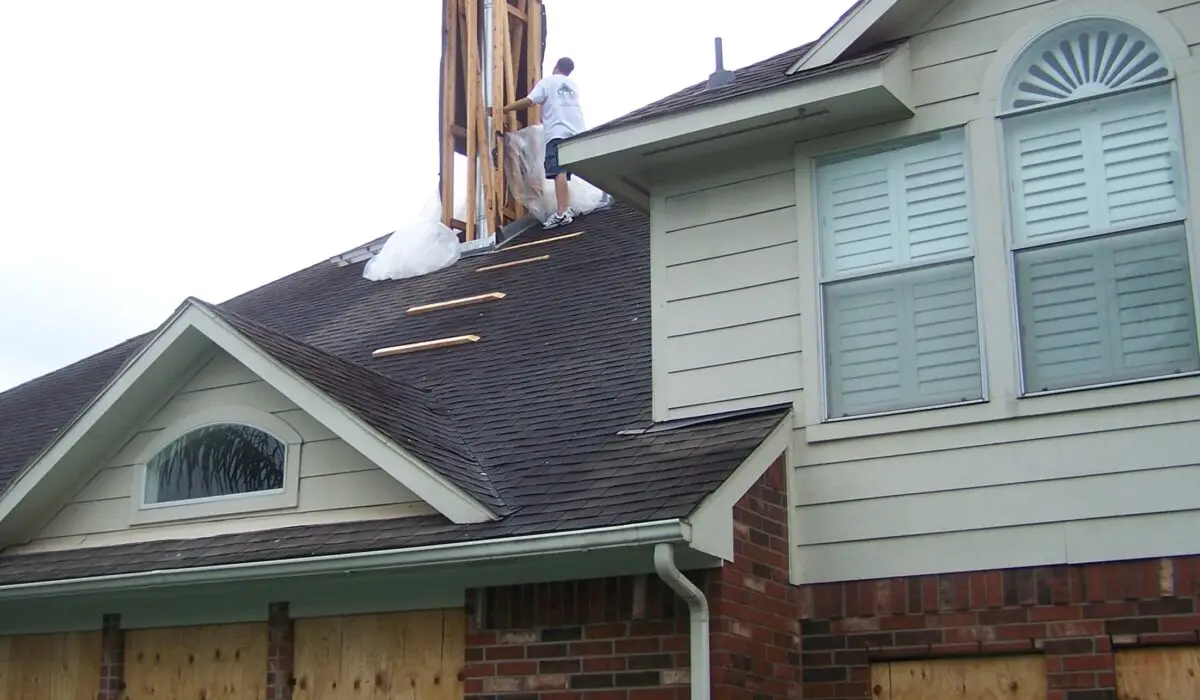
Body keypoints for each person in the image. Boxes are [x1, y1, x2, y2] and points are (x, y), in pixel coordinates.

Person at [503, 57, 585, 229]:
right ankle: (566, 208)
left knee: (558, 172)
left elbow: (530, 101)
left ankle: (563, 212)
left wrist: (505, 109)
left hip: (557, 133)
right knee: (564, 173)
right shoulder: (572, 86)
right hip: (576, 133)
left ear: (556, 66)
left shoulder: (548, 82)